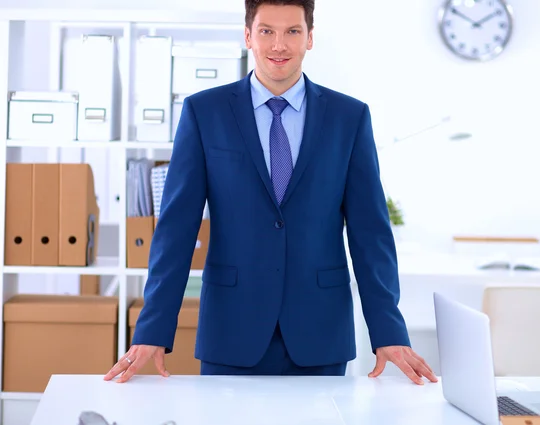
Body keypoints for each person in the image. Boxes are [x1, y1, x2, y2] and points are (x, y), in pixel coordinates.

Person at [104, 0, 437, 384]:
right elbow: (176, 231)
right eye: (267, 31)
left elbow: (370, 235)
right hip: (231, 330)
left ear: (310, 38)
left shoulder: (349, 117)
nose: (279, 44)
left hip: (320, 333)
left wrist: (388, 331)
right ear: (248, 36)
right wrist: (153, 328)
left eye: (292, 31)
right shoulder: (204, 112)